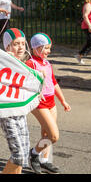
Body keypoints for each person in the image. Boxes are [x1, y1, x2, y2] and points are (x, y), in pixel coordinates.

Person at [26, 33, 71, 174]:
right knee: (53, 136)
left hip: (51, 102)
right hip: (39, 103)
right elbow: (24, 83)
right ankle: (33, 154)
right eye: (46, 48)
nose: (49, 51)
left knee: (46, 133)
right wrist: (35, 92)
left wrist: (62, 100)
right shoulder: (30, 64)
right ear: (35, 48)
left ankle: (44, 161)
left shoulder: (47, 63)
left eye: (49, 48)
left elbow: (54, 83)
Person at [0, 28, 32, 174]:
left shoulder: (24, 64)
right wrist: (6, 59)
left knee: (23, 154)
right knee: (18, 155)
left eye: (23, 44)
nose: (20, 47)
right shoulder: (3, 61)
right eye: (16, 44)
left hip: (21, 112)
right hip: (7, 112)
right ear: (7, 47)